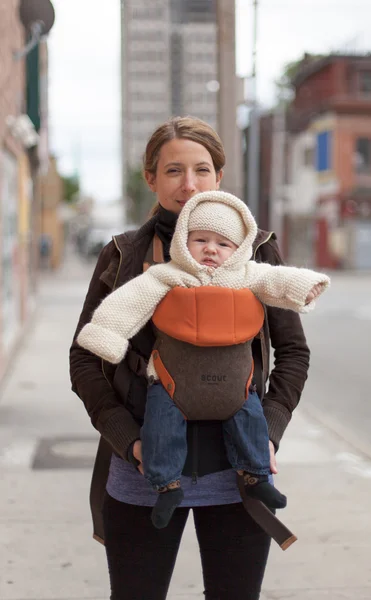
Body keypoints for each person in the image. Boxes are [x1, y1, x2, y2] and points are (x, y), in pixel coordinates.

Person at [69, 116, 312, 600]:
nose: (189, 184)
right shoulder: (122, 255)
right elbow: (85, 360)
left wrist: (269, 432)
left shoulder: (257, 252)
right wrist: (129, 441)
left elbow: (293, 353)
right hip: (143, 472)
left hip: (238, 473)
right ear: (151, 178)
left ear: (219, 178)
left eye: (202, 169)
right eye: (173, 170)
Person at [77, 190, 329, 530]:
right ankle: (166, 487)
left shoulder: (247, 275)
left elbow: (277, 280)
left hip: (236, 387)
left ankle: (257, 478)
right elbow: (128, 302)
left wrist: (306, 287)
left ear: (239, 249)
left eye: (223, 244)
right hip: (170, 384)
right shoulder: (167, 275)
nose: (211, 248)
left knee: (251, 423)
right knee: (161, 430)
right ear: (183, 242)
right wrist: (106, 335)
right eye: (201, 240)